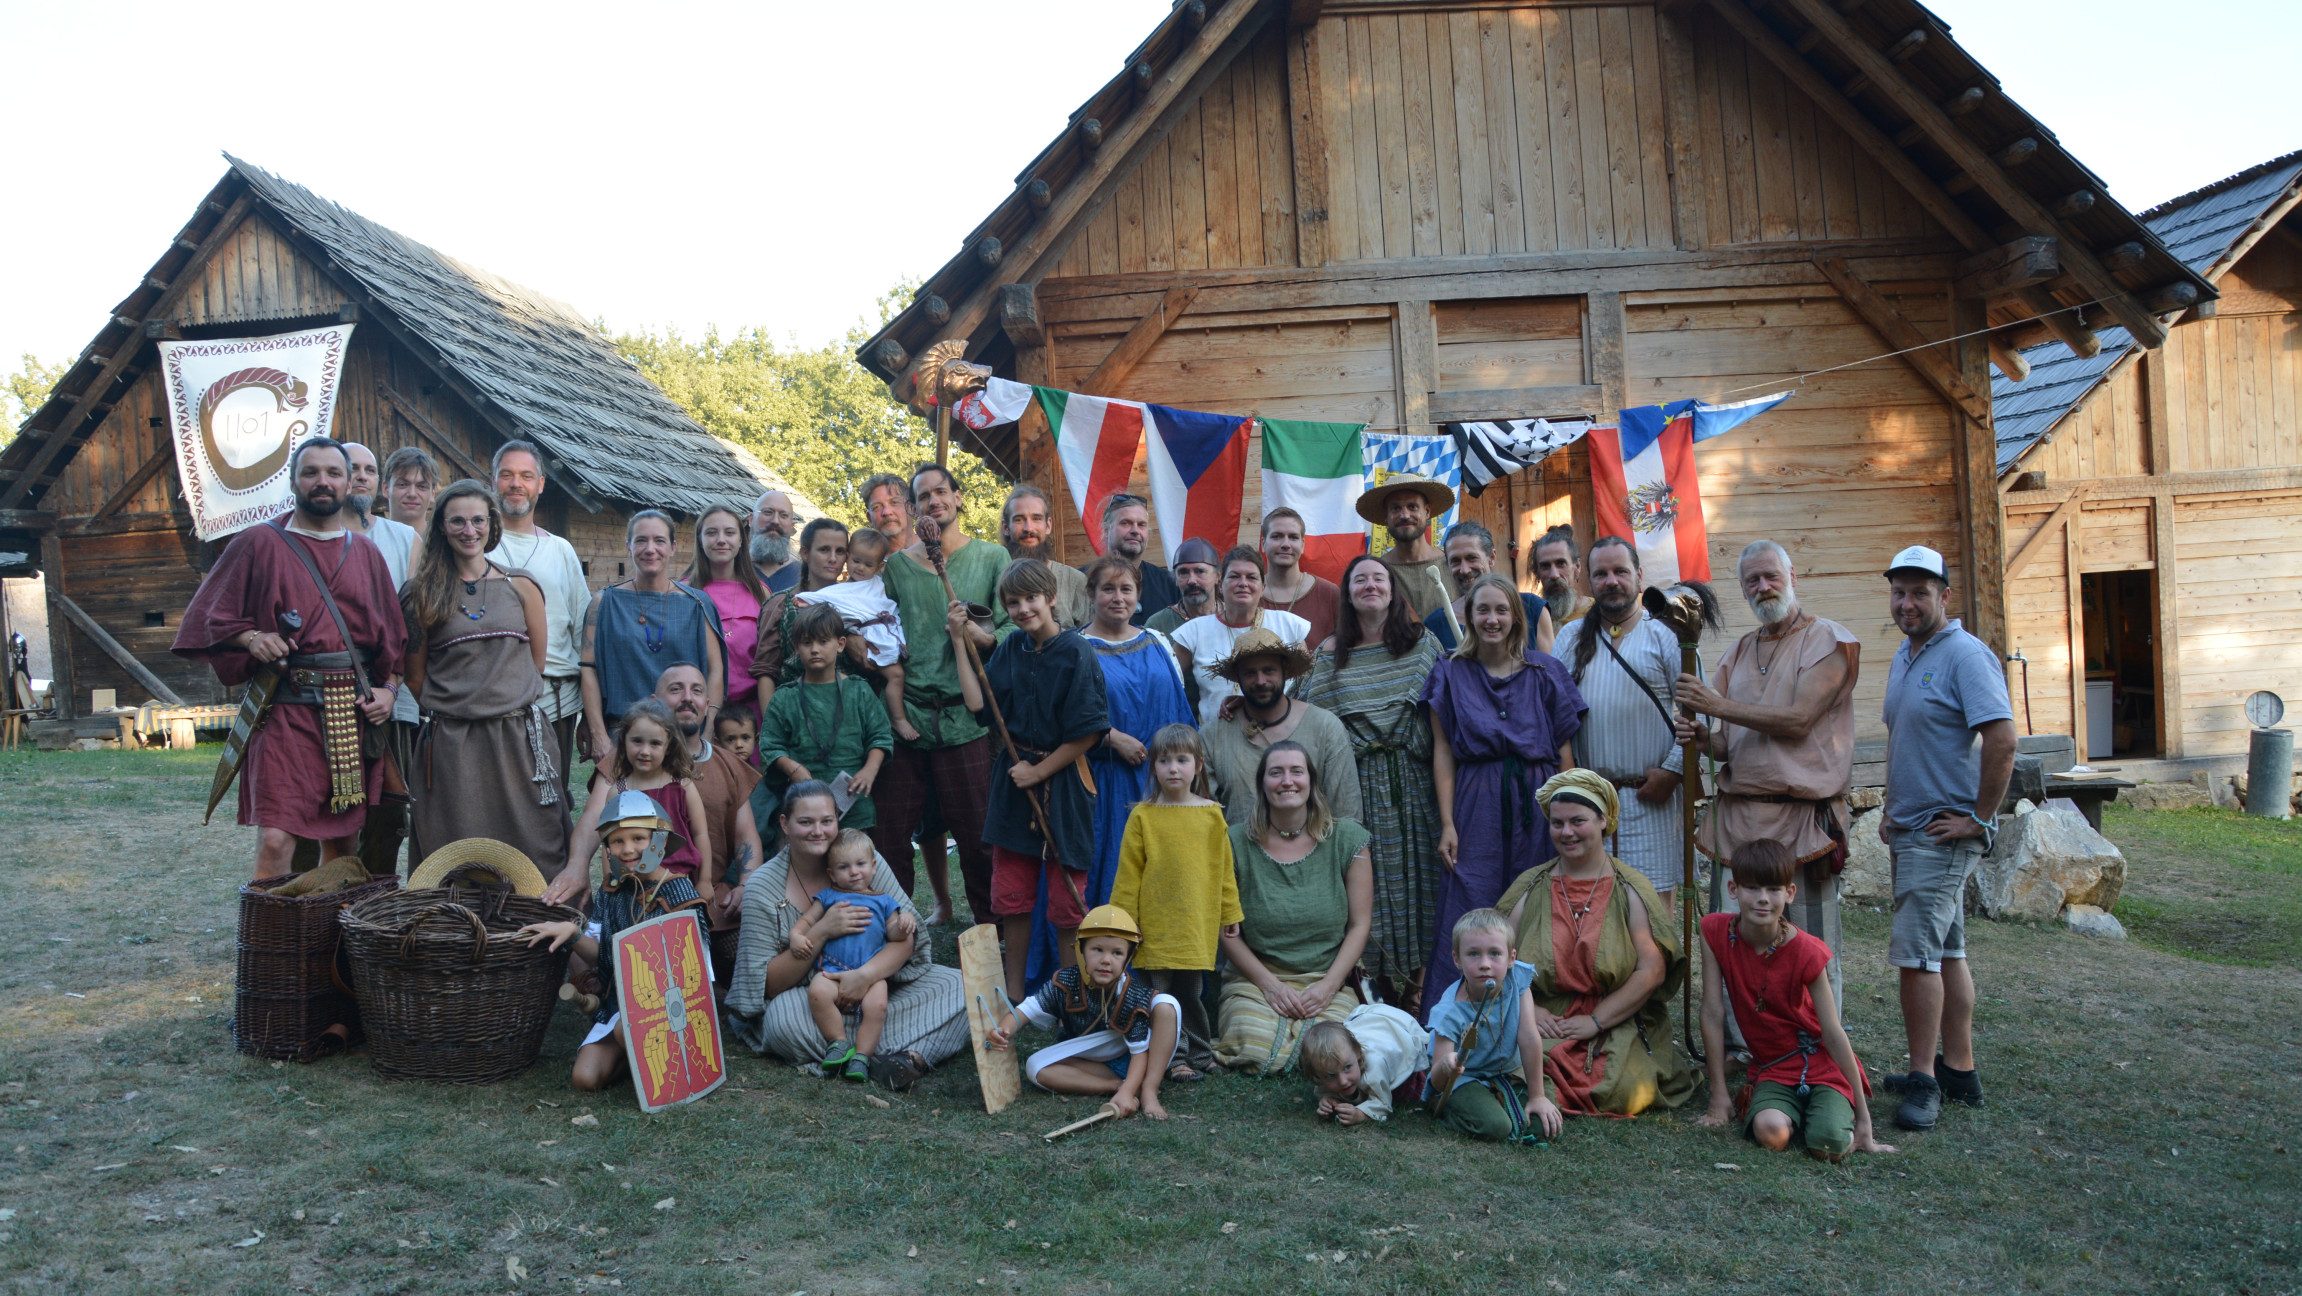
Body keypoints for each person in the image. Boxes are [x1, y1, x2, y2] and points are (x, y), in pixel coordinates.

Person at [172, 438, 405, 879]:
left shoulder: (366, 554)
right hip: (283, 712)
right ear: (294, 481)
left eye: (333, 474)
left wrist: (389, 692)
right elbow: (206, 617)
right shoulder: (259, 543)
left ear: (349, 483)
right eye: (311, 472)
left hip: (346, 716)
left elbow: (393, 644)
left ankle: (324, 944)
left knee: (342, 842)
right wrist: (250, 637)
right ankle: (270, 946)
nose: (323, 482)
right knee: (277, 839)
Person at [1674, 539, 1862, 1014]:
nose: (1763, 587)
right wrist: (1700, 735)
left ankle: (1819, 1046)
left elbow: (1799, 720)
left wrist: (1715, 706)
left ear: (1792, 576)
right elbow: (1728, 744)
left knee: (1810, 946)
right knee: (1741, 941)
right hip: (1739, 819)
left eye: (1770, 576)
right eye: (1752, 581)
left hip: (1802, 820)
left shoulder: (1828, 641)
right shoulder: (1737, 653)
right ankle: (1746, 1045)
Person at [1875, 543, 2014, 1133]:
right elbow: (1902, 736)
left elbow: (2003, 739)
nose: (1907, 603)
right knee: (1948, 949)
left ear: (1944, 597)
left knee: (1917, 956)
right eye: (1899, 593)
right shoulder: (1907, 654)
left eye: (1919, 593)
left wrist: (1980, 819)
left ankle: (1923, 1079)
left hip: (1940, 833)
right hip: (1910, 825)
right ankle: (1958, 1068)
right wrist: (1888, 804)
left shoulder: (1964, 656)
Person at [725, 782, 961, 1091]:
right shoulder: (763, 886)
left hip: (878, 988)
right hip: (812, 998)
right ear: (785, 823)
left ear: (838, 820)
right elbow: (768, 983)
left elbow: (905, 939)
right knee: (782, 1022)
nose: (818, 831)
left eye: (826, 821)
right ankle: (887, 1053)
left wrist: (864, 977)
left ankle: (872, 1054)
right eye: (805, 822)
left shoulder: (861, 860)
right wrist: (822, 930)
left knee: (961, 988)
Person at [1494, 771, 1696, 1116]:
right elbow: (1498, 960)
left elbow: (1652, 970)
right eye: (1557, 823)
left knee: (1626, 1087)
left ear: (1604, 820)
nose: (1567, 832)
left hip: (1616, 1019)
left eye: (1578, 821)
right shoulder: (1530, 885)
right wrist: (1531, 1011)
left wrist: (1596, 1020)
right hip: (1543, 1020)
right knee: (1514, 1070)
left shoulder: (1630, 887)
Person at [1421, 574, 1585, 1000]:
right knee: (1471, 897)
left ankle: (1541, 1006)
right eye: (1483, 610)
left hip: (1538, 798)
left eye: (1501, 610)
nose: (1492, 619)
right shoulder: (1450, 671)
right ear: (1469, 617)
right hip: (1476, 801)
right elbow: (1443, 751)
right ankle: (1461, 1013)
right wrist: (1447, 823)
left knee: (1538, 899)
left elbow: (1564, 754)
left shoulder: (1545, 670)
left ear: (1516, 616)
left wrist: (1565, 815)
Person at [1296, 553, 1444, 1012]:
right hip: (1356, 787)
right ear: (1348, 594)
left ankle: (1421, 984)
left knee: (1423, 881)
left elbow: (1447, 708)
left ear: (1393, 590)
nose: (1370, 586)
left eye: (1379, 578)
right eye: (1359, 580)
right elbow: (1302, 710)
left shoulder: (1423, 645)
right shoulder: (1329, 653)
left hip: (1415, 784)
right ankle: (1375, 986)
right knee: (1367, 886)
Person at [957, 558, 1109, 1001]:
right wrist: (957, 641)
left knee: (1066, 900)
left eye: (1031, 599)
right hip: (1014, 787)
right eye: (1013, 602)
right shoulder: (1010, 649)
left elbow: (1089, 731)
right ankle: (1016, 991)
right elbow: (977, 706)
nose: (1023, 609)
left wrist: (1038, 771)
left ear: (1051, 598)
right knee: (1012, 893)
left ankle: (1070, 993)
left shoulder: (1077, 652)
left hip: (1062, 784)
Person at [399, 479, 569, 872]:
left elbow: (536, 664)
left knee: (536, 839)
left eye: (478, 520)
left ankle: (538, 929)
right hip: (453, 743)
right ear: (441, 527)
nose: (469, 530)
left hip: (518, 738)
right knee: (455, 844)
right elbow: (415, 677)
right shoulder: (420, 594)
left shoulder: (522, 586)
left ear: (492, 524)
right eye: (457, 521)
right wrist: (462, 707)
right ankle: (459, 932)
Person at [870, 463, 1011, 914]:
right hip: (908, 717)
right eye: (924, 496)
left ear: (959, 497)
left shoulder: (991, 559)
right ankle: (893, 928)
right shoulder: (896, 569)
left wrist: (978, 636)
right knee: (892, 836)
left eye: (941, 492)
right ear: (913, 509)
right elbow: (877, 626)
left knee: (977, 838)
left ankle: (992, 932)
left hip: (964, 720)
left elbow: (1011, 631)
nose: (934, 501)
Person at [1696, 841, 1894, 1162]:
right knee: (1771, 1134)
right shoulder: (1713, 932)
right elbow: (1712, 1011)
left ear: (1790, 893)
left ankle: (1827, 1110)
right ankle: (1791, 1110)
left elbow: (1832, 1032)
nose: (1762, 898)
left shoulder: (1808, 951)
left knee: (1828, 1146)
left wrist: (1863, 1119)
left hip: (1819, 1061)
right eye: (1752, 887)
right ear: (1733, 889)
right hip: (1774, 1066)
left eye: (1774, 889)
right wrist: (1719, 1097)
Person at [1049, 556, 1194, 986]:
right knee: (1111, 871)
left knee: (1162, 869)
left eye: (1126, 589)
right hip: (1102, 784)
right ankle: (1106, 972)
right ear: (1090, 595)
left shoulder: (1155, 641)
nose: (1118, 597)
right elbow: (1062, 715)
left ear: (1138, 596)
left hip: (1159, 780)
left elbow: (1181, 712)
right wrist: (1111, 737)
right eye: (1108, 589)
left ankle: (1164, 967)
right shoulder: (1074, 647)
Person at [515, 789, 706, 1092]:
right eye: (617, 841)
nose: (627, 849)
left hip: (670, 1011)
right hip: (621, 1008)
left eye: (638, 838)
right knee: (585, 1078)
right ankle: (637, 1062)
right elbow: (606, 958)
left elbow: (699, 977)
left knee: (624, 1030)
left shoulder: (680, 895)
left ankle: (659, 1059)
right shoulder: (612, 892)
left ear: (658, 840)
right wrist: (573, 933)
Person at [1214, 741, 1373, 1073]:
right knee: (1252, 1044)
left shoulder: (1347, 839)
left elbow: (1360, 925)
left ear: (1311, 782)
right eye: (1276, 773)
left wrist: (1328, 986)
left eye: (1296, 771)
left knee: (1336, 1047)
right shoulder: (1233, 842)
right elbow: (1225, 930)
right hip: (1255, 979)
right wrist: (1271, 986)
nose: (1287, 781)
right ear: (1262, 785)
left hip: (1327, 977)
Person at [1551, 536, 1688, 914]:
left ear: (1639, 576)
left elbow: (1700, 713)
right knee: (1591, 916)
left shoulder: (1667, 636)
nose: (1611, 581)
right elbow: (1552, 715)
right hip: (1587, 805)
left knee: (1651, 915)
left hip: (1650, 800)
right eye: (1601, 573)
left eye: (1620, 571)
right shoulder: (1569, 638)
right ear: (1588, 581)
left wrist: (1672, 772)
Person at [1109, 723, 1240, 1082]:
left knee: (1192, 994)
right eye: (1164, 761)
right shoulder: (1144, 816)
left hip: (1194, 926)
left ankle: (1200, 1051)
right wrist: (1123, 924)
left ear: (1198, 765)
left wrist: (1230, 913)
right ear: (1153, 767)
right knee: (1162, 997)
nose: (1173, 768)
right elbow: (1128, 875)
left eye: (1182, 760)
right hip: (1155, 927)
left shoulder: (1211, 815)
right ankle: (1174, 1057)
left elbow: (1223, 870)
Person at [987, 905, 1184, 1121]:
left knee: (1167, 1004)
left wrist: (1129, 1093)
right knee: (1035, 1067)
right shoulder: (1064, 982)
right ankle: (1115, 1085)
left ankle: (1148, 1090)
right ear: (1081, 951)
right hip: (1092, 1061)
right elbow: (1024, 1011)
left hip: (1133, 1056)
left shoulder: (1131, 993)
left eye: (1117, 953)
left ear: (1128, 959)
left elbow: (1139, 1053)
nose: (1106, 960)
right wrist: (1003, 1030)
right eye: (1097, 949)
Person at [337, 441, 421, 874]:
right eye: (352, 468)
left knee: (388, 808)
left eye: (370, 469)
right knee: (329, 808)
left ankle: (378, 903)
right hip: (329, 691)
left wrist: (393, 686)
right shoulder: (315, 534)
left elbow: (410, 622)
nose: (362, 476)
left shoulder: (402, 537)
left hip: (393, 695)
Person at [580, 510, 724, 761]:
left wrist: (708, 729)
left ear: (673, 547)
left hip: (684, 734)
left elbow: (715, 670)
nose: (650, 549)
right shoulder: (602, 603)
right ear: (628, 546)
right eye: (640, 540)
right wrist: (599, 735)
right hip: (623, 735)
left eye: (659, 540)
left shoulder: (697, 604)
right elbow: (588, 669)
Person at [642, 663, 764, 958]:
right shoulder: (633, 757)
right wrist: (575, 868)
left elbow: (746, 836)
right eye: (675, 689)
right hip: (644, 894)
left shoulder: (729, 764)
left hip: (710, 895)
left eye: (696, 691)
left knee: (740, 959)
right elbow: (596, 823)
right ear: (655, 701)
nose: (687, 697)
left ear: (707, 705)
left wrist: (746, 884)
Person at [487, 440, 589, 778]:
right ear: (493, 481)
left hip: (555, 699)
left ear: (540, 485)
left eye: (526, 476)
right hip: (488, 698)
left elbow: (582, 632)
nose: (516, 483)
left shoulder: (560, 550)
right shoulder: (474, 548)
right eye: (507, 475)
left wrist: (589, 711)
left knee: (551, 806)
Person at [1425, 908, 1565, 1144]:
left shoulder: (1517, 980)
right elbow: (1438, 1081)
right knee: (1496, 1127)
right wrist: (1447, 1066)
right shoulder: (1449, 1012)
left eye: (1494, 953)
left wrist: (1537, 1096)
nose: (1485, 964)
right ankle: (1451, 1110)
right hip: (1465, 1078)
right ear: (1457, 958)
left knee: (1543, 1126)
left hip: (1507, 1073)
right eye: (1473, 954)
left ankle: (1505, 1100)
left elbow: (1529, 1036)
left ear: (1511, 958)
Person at [1200, 628, 1362, 828]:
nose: (1261, 681)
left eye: (1269, 670)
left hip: (1317, 854)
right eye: (1250, 673)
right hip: (1238, 857)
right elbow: (1204, 818)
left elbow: (1347, 814)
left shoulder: (1325, 728)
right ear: (1237, 678)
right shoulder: (1212, 737)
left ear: (1284, 671)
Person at [559, 698, 711, 900]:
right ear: (624, 741)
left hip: (678, 883)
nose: (645, 751)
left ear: (669, 746)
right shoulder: (617, 792)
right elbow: (609, 843)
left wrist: (705, 881)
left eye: (655, 743)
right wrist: (610, 879)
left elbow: (700, 834)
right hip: (632, 887)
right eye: (637, 741)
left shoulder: (683, 786)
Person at [794, 828, 914, 1081]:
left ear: (873, 866)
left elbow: (894, 935)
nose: (854, 871)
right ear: (831, 874)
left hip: (870, 976)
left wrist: (902, 924)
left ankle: (862, 1056)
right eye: (844, 867)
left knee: (877, 1005)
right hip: (832, 971)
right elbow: (807, 921)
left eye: (860, 864)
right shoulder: (828, 897)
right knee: (817, 991)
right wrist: (796, 936)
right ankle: (838, 1042)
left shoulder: (885, 901)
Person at [757, 604, 891, 831]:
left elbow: (880, 736)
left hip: (853, 800)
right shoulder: (785, 697)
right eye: (807, 643)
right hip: (804, 801)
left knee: (851, 862)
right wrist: (794, 770)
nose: (815, 649)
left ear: (840, 644)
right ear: (797, 647)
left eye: (823, 641)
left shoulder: (859, 691)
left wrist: (870, 770)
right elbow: (770, 745)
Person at [789, 526, 909, 741]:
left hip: (877, 643)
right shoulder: (841, 591)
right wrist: (805, 599)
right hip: (816, 694)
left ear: (880, 566)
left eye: (868, 564)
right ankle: (898, 719)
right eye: (856, 561)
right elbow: (828, 599)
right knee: (895, 675)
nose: (860, 568)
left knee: (895, 675)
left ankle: (895, 719)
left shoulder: (880, 585)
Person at [1170, 546, 1312, 728]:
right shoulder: (1193, 632)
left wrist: (1249, 704)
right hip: (1216, 743)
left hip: (1282, 738)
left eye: (1251, 577)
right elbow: (1165, 687)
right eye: (1234, 576)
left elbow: (1307, 689)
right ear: (1220, 584)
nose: (1243, 583)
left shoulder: (1290, 626)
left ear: (1263, 587)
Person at [683, 505, 773, 723]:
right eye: (712, 533)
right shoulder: (682, 593)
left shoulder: (760, 592)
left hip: (751, 716)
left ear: (741, 540)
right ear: (700, 539)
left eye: (729, 533)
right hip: (699, 714)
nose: (721, 540)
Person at [1423, 520, 1556, 656]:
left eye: (1472, 558)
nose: (1464, 569)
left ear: (1491, 557)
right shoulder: (1435, 624)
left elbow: (1551, 673)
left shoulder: (1532, 609)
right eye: (1455, 561)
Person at [1299, 1004, 1430, 1126]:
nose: (1343, 1081)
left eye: (1347, 1068)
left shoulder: (1374, 1070)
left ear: (1358, 1055)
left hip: (1398, 1025)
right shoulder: (1335, 1061)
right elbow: (1323, 1089)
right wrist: (1327, 1099)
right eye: (1331, 1075)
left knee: (1405, 1092)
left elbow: (1383, 1104)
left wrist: (1360, 1114)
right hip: (1368, 1022)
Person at [1359, 474, 1454, 621]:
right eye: (1396, 508)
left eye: (1412, 507)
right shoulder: (1378, 573)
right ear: (1386, 516)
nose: (1404, 515)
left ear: (1427, 511)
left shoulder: (1452, 565)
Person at [1002, 483, 1089, 628]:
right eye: (1019, 519)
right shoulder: (993, 577)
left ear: (1048, 525)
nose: (1028, 528)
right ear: (1006, 527)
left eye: (1036, 518)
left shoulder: (1075, 581)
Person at [1088, 493, 1181, 625]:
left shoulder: (1170, 584)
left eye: (1141, 524)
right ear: (1107, 529)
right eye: (1126, 523)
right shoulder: (1082, 579)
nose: (1135, 530)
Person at [1258, 508, 1343, 648]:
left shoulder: (1329, 593)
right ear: (1263, 543)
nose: (1285, 544)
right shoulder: (1250, 595)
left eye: (1293, 537)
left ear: (1302, 545)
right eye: (1276, 536)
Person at [1143, 535, 1219, 639]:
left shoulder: (1234, 617)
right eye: (1183, 572)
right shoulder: (1158, 625)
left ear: (1217, 576)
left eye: (1200, 571)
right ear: (1175, 579)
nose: (1192, 580)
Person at [1531, 525, 1593, 626]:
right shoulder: (1531, 619)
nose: (1554, 575)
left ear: (1577, 567)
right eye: (1545, 566)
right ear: (1537, 573)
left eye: (1561, 564)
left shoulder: (1599, 614)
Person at [750, 489, 801, 594]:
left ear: (792, 526)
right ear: (751, 520)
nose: (775, 521)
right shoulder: (733, 569)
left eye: (783, 515)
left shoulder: (805, 576)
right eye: (768, 512)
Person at [381, 445, 437, 530]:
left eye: (422, 486)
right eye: (403, 485)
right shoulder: (369, 541)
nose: (412, 494)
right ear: (386, 489)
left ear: (433, 493)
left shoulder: (445, 541)